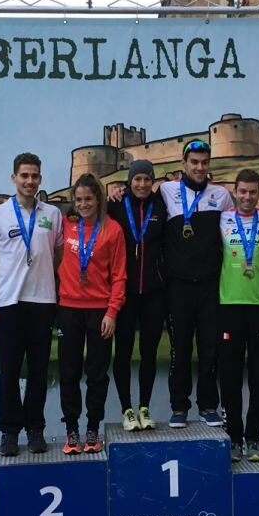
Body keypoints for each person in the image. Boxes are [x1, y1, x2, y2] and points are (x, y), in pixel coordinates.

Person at [0, 152, 64, 456]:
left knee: (39, 370)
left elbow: (57, 254)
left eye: (35, 176)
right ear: (14, 178)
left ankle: (36, 429)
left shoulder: (52, 214)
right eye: (24, 175)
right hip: (9, 304)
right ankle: (10, 432)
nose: (29, 181)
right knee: (10, 371)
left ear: (40, 179)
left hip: (42, 302)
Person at [158, 140, 232, 428]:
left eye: (204, 162)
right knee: (180, 349)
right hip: (178, 286)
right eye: (194, 162)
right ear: (184, 164)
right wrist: (117, 190)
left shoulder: (222, 196)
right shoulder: (167, 191)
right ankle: (179, 407)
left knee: (209, 348)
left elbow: (238, 226)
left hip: (210, 286)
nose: (200, 167)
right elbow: (138, 201)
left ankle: (208, 405)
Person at [57, 173, 126, 454]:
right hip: (68, 308)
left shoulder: (113, 230)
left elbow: (120, 276)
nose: (83, 204)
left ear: (99, 199)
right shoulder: (66, 226)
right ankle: (71, 429)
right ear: (73, 202)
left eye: (89, 198)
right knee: (69, 372)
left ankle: (93, 428)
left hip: (99, 311)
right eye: (79, 199)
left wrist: (112, 311)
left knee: (97, 374)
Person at [217, 169, 259, 462]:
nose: (247, 197)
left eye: (253, 192)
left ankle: (254, 439)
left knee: (258, 377)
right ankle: (233, 439)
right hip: (229, 305)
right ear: (235, 191)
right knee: (229, 376)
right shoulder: (222, 218)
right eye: (242, 191)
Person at [107, 160, 167, 431]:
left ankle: (144, 406)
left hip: (154, 292)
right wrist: (111, 193)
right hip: (125, 292)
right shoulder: (117, 206)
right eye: (137, 179)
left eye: (147, 179)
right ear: (129, 182)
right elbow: (84, 213)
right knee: (122, 352)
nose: (142, 184)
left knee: (149, 352)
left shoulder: (161, 206)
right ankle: (126, 409)